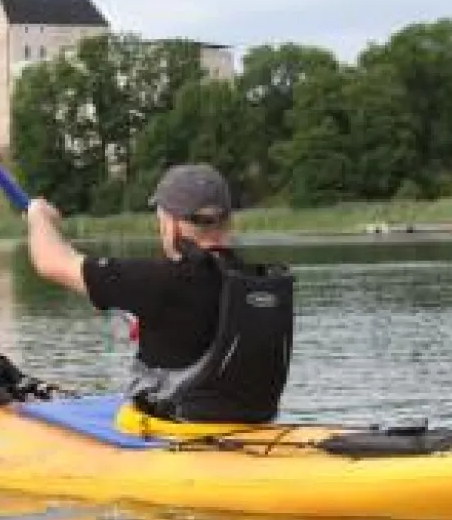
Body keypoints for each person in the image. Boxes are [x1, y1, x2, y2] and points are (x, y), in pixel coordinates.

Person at [25, 163, 294, 423]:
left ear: (171, 224)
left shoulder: (158, 280)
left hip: (177, 433)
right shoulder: (258, 283)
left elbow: (51, 262)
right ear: (228, 221)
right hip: (251, 426)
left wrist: (38, 214)